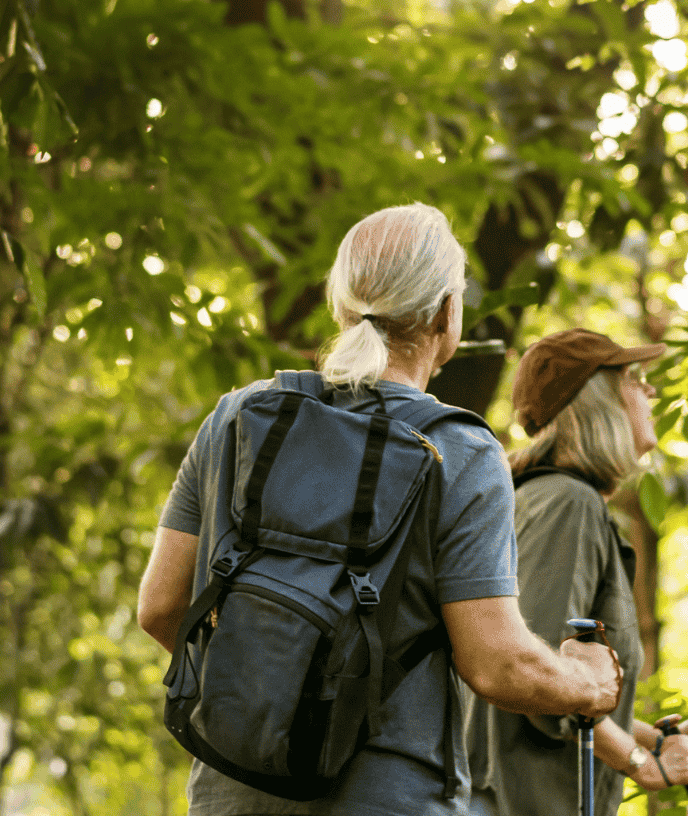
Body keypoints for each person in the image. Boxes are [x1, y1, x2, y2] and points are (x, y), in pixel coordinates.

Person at [137, 204, 623, 816]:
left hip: (231, 792)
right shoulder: (460, 450)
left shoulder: (237, 420)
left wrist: (272, 701)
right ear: (448, 312)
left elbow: (161, 609)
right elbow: (497, 664)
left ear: (342, 304)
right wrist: (587, 684)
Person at [462, 328, 688, 816]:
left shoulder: (544, 501)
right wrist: (642, 762)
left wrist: (654, 740)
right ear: (597, 400)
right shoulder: (567, 504)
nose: (650, 390)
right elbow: (537, 676)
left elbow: (573, 689)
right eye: (633, 377)